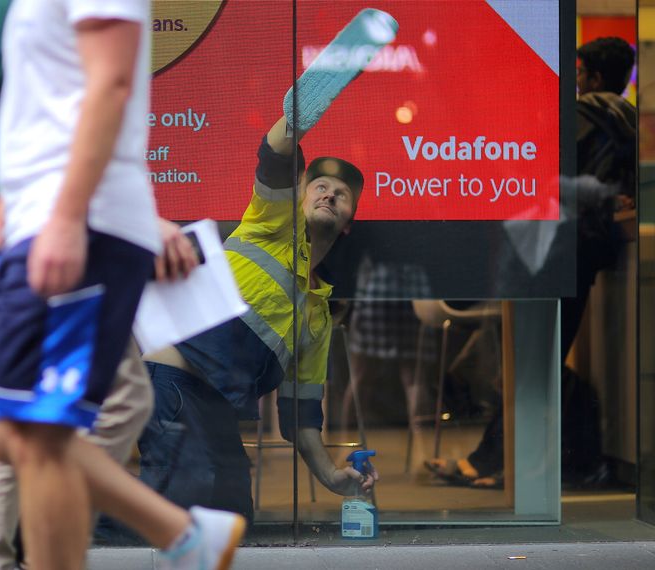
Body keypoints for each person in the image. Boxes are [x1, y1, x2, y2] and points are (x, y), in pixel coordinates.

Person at [0, 0, 245, 568]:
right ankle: (182, 535)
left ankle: (183, 536)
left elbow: (111, 83)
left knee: (35, 428)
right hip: (41, 219)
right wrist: (1, 222)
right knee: (15, 428)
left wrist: (66, 219)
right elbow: (38, 116)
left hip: (74, 223)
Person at [136, 110, 377, 523]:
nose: (329, 195)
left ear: (349, 223)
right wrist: (301, 110)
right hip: (172, 385)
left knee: (232, 517)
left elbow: (301, 419)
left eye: (341, 194)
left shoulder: (317, 315)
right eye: (320, 186)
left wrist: (332, 477)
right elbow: (276, 157)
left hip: (216, 410)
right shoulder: (271, 225)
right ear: (299, 199)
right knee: (169, 512)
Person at [426, 36, 636, 490]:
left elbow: (545, 179)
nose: (574, 81)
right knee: (537, 360)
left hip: (553, 252)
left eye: (578, 73)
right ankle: (521, 460)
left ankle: (506, 462)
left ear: (594, 77)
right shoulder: (627, 120)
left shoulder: (580, 118)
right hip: (589, 253)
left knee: (530, 362)